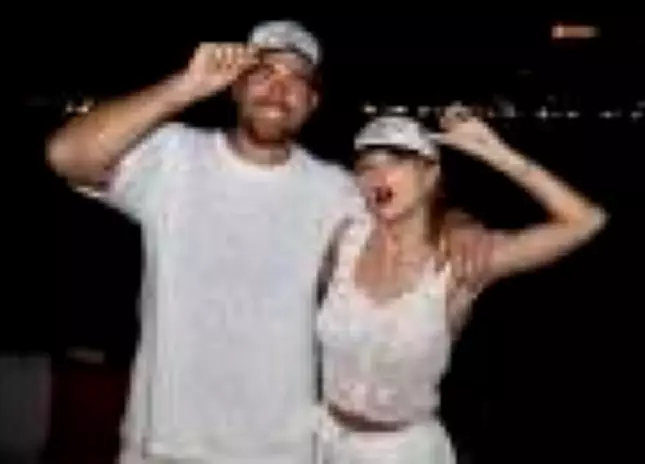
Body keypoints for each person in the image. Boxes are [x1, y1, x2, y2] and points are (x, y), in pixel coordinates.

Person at [46, 20, 485, 464]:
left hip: (283, 448)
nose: (279, 90)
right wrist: (184, 86)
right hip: (164, 443)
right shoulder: (174, 156)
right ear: (234, 87)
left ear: (312, 103)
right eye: (264, 72)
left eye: (297, 80)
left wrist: (459, 221)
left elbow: (407, 211)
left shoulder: (334, 189)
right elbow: (67, 155)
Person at [314, 111, 607, 462]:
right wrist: (460, 217)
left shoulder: (460, 262)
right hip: (323, 442)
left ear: (430, 175)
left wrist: (495, 153)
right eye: (366, 166)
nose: (378, 176)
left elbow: (586, 221)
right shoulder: (344, 237)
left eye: (396, 162)